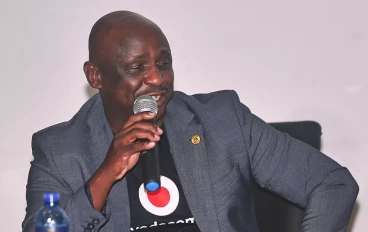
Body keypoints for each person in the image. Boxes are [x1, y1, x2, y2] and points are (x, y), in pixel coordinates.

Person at [22, 10, 359, 232]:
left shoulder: (222, 121)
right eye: (138, 68)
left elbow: (332, 184)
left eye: (163, 63)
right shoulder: (60, 149)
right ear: (95, 76)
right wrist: (106, 173)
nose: (157, 78)